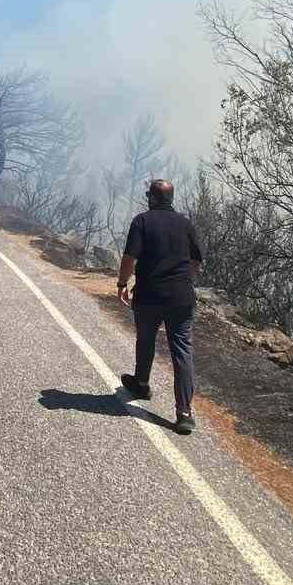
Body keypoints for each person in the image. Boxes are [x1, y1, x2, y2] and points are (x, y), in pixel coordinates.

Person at [117, 178, 203, 435]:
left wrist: (122, 283)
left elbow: (130, 257)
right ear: (171, 199)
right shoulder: (186, 224)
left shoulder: (142, 221)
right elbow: (196, 262)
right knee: (182, 350)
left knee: (146, 340)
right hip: (181, 297)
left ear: (151, 198)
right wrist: (181, 279)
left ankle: (141, 384)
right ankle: (184, 412)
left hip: (149, 295)